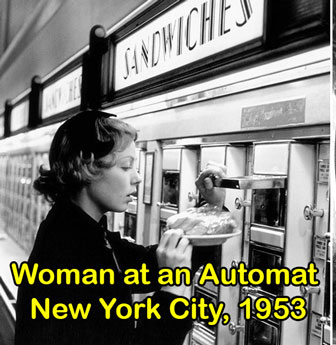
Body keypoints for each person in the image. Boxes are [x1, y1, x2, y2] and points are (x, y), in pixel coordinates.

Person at [14, 110, 227, 345]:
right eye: (126, 167)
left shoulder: (82, 232)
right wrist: (174, 291)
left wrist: (212, 210)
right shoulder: (68, 255)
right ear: (87, 168)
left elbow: (147, 265)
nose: (137, 178)